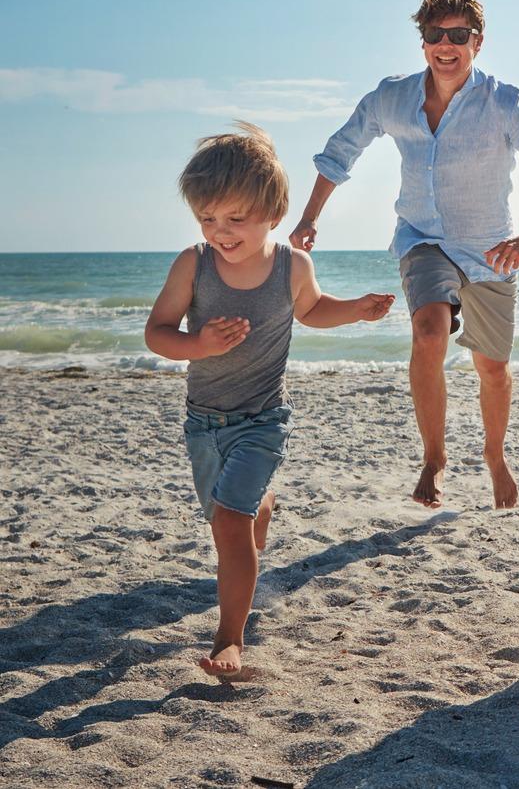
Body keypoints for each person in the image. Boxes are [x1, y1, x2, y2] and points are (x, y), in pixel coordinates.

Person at [289, 0, 519, 510]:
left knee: (492, 369)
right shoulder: (392, 98)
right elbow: (339, 154)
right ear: (422, 40)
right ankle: (434, 458)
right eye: (435, 33)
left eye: (459, 33)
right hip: (422, 239)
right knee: (429, 330)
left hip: (491, 250)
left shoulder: (505, 104)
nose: (445, 45)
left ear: (478, 41)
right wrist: (309, 219)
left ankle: (495, 455)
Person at [145, 123, 394, 678]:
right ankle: (261, 504)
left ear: (272, 215)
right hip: (203, 424)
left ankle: (229, 639)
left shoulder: (291, 266)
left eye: (235, 219)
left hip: (264, 420)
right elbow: (157, 332)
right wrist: (197, 345)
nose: (221, 232)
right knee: (233, 513)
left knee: (228, 526)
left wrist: (354, 308)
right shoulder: (194, 264)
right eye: (209, 219)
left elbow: (311, 310)